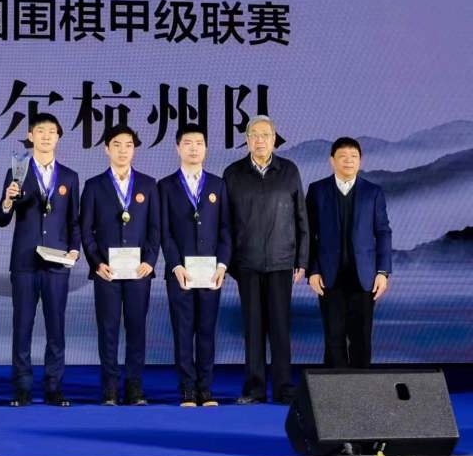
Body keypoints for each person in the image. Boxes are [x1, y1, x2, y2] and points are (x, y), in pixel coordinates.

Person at [0, 112, 81, 407]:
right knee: (22, 326)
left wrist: (75, 249)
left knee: (56, 327)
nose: (46, 136)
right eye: (40, 131)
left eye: (51, 132)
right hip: (24, 262)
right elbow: (2, 219)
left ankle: (54, 387)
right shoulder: (17, 171)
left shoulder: (69, 176)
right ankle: (22, 388)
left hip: (57, 262)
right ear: (30, 136)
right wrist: (7, 200)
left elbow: (74, 221)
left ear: (58, 137)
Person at [223, 115, 308, 405]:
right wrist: (231, 263)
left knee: (280, 328)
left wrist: (302, 260)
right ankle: (254, 389)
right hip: (246, 264)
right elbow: (226, 223)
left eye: (265, 135)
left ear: (274, 140)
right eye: (254, 135)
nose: (260, 140)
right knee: (253, 328)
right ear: (247, 140)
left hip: (281, 262)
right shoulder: (233, 174)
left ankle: (284, 388)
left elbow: (301, 218)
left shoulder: (289, 171)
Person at [80, 124, 160, 406]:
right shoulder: (94, 186)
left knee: (137, 330)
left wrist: (150, 261)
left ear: (134, 149)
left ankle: (135, 388)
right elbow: (85, 230)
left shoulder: (148, 185)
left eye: (128, 145)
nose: (123, 150)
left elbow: (155, 229)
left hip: (139, 272)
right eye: (117, 145)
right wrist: (97, 263)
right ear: (106, 149)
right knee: (108, 330)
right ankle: (110, 389)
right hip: (108, 272)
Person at [158, 125, 231, 407]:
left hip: (211, 273)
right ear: (178, 148)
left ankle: (205, 388)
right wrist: (175, 265)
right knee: (183, 331)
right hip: (181, 274)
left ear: (206, 148)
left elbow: (225, 230)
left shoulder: (217, 185)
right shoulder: (165, 186)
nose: (193, 148)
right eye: (187, 143)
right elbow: (164, 232)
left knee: (207, 331)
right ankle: (187, 389)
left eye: (199, 143)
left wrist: (222, 265)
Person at [306, 137, 392, 369]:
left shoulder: (373, 192)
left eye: (354, 156)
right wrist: (313, 271)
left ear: (360, 160)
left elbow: (383, 232)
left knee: (361, 339)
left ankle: (361, 387)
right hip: (328, 276)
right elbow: (308, 234)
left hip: (364, 277)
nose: (348, 161)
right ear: (332, 161)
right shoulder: (317, 190)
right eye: (342, 156)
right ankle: (334, 388)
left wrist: (383, 272)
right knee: (333, 338)